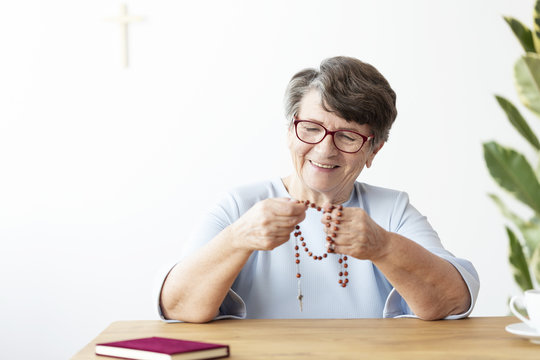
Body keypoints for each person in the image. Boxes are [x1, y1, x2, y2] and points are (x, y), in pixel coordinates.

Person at [158, 56, 479, 323]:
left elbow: (452, 301)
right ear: (289, 132)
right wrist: (237, 238)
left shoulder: (391, 210)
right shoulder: (240, 205)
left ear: (374, 151)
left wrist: (383, 246)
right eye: (311, 129)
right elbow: (177, 306)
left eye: (348, 137)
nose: (325, 150)